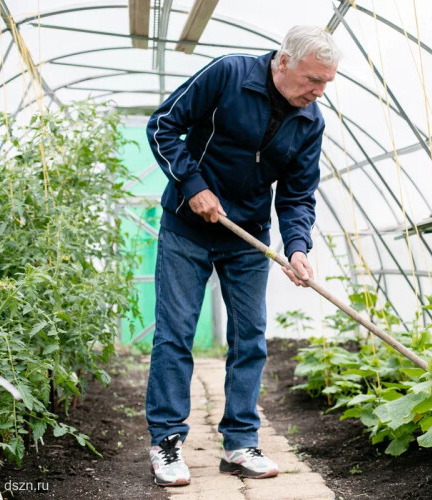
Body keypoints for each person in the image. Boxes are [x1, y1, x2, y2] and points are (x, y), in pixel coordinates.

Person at [144, 26, 339, 487]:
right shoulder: (229, 75)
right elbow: (163, 125)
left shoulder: (310, 122)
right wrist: (193, 187)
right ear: (283, 62)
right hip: (186, 228)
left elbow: (297, 196)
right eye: (314, 79)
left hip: (248, 236)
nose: (319, 91)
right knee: (175, 335)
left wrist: (296, 247)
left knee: (249, 338)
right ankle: (167, 442)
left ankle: (239, 443)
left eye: (327, 83)